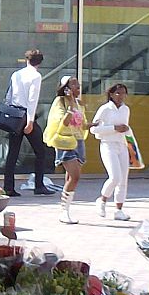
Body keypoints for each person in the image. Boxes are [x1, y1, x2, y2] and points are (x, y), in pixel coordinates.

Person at [2, 49, 54, 197]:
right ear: (40, 62)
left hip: (14, 113)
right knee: (40, 151)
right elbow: (32, 99)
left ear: (26, 60)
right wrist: (30, 121)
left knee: (13, 152)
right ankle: (39, 185)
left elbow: (9, 95)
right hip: (26, 115)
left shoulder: (16, 74)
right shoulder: (36, 76)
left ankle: (8, 187)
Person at [43, 75, 88, 224]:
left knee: (70, 177)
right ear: (66, 88)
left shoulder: (79, 103)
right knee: (75, 176)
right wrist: (69, 108)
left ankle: (66, 209)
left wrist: (93, 125)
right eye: (74, 85)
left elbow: (82, 124)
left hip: (79, 141)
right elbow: (62, 123)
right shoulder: (60, 102)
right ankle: (64, 210)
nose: (78, 88)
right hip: (65, 142)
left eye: (78, 85)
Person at [90, 83, 133, 222]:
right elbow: (93, 129)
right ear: (112, 94)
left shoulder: (126, 109)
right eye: (118, 93)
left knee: (123, 179)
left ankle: (119, 210)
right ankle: (102, 200)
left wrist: (125, 130)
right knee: (115, 177)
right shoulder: (105, 109)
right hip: (108, 145)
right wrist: (114, 128)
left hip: (122, 144)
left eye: (123, 93)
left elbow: (125, 128)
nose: (121, 96)